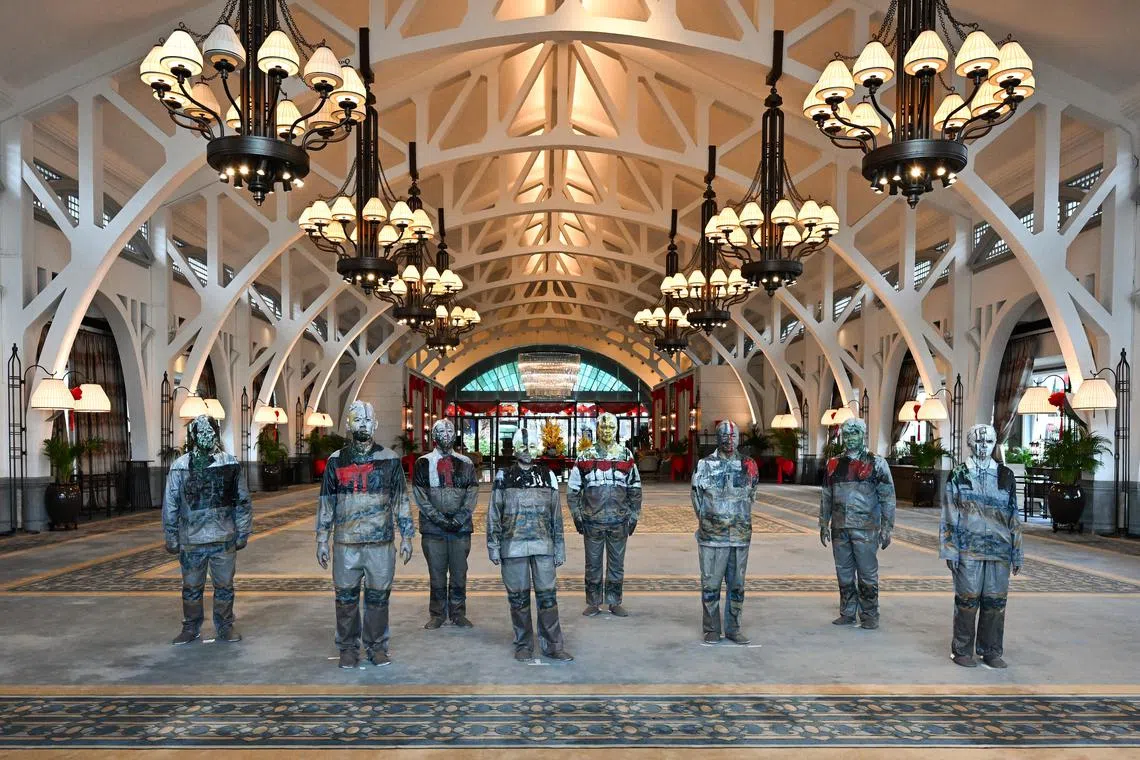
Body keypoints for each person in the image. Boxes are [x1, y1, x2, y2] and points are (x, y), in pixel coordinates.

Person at [316, 401, 414, 668]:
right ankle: (348, 648)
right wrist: (322, 538)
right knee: (345, 599)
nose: (362, 424)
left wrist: (407, 535)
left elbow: (400, 500)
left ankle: (376, 646)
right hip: (346, 543)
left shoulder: (390, 461)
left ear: (376, 425)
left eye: (367, 420)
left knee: (378, 598)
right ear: (348, 424)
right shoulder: (336, 461)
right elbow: (327, 502)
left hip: (380, 544)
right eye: (357, 419)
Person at [163, 414, 251, 645]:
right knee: (191, 587)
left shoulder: (230, 464)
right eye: (201, 433)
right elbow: (170, 504)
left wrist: (242, 531)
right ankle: (191, 627)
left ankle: (225, 626)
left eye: (210, 432)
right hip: (191, 540)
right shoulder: (180, 467)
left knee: (224, 586)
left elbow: (242, 501)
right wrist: (171, 535)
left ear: (217, 434)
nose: (206, 437)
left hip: (223, 538)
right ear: (192, 436)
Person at [487, 428, 573, 662]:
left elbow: (556, 515)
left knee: (547, 597)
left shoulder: (548, 476)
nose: (527, 451)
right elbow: (494, 512)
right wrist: (493, 545)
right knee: (518, 597)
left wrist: (559, 547)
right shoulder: (503, 477)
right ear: (515, 448)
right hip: (512, 546)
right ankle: (523, 643)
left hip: (543, 546)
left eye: (531, 446)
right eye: (522, 446)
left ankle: (553, 645)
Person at [941, 423, 1023, 668]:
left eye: (988, 442)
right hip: (968, 548)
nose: (983, 446)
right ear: (969, 443)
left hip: (999, 549)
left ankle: (991, 651)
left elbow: (1014, 515)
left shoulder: (1005, 475)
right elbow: (949, 513)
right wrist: (950, 549)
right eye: (978, 442)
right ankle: (961, 650)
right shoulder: (958, 474)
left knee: (995, 601)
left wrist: (1017, 552)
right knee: (967, 599)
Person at [819, 418, 896, 630]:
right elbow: (826, 495)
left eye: (855, 434)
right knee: (843, 571)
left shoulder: (877, 463)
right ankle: (847, 612)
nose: (851, 438)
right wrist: (823, 522)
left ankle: (870, 614)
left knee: (867, 572)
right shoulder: (833, 463)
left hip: (866, 527)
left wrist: (887, 527)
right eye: (848, 434)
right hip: (840, 527)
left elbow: (887, 497)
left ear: (863, 435)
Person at [691, 420, 759, 644]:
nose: (728, 440)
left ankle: (733, 628)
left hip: (740, 535)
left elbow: (752, 493)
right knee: (710, 584)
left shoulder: (749, 465)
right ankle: (711, 628)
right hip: (711, 537)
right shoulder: (705, 465)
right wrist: (708, 518)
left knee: (737, 585)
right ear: (717, 439)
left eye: (733, 437)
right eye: (724, 436)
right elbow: (696, 496)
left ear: (738, 439)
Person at [567, 412, 642, 617]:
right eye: (603, 427)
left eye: (611, 427)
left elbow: (635, 488)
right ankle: (593, 602)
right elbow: (573, 489)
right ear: (597, 429)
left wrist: (634, 515)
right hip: (592, 522)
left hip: (619, 521)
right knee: (592, 564)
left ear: (616, 430)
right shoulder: (585, 456)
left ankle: (614, 601)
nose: (607, 431)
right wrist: (576, 515)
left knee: (617, 564)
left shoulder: (626, 456)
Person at [413, 419, 479, 629]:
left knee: (459, 572)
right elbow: (421, 497)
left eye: (450, 430)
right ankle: (437, 614)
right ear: (434, 436)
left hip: (461, 530)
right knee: (437, 572)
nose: (446, 434)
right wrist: (439, 519)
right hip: (433, 530)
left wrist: (460, 518)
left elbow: (472, 493)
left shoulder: (466, 463)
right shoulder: (422, 463)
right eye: (441, 431)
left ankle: (458, 613)